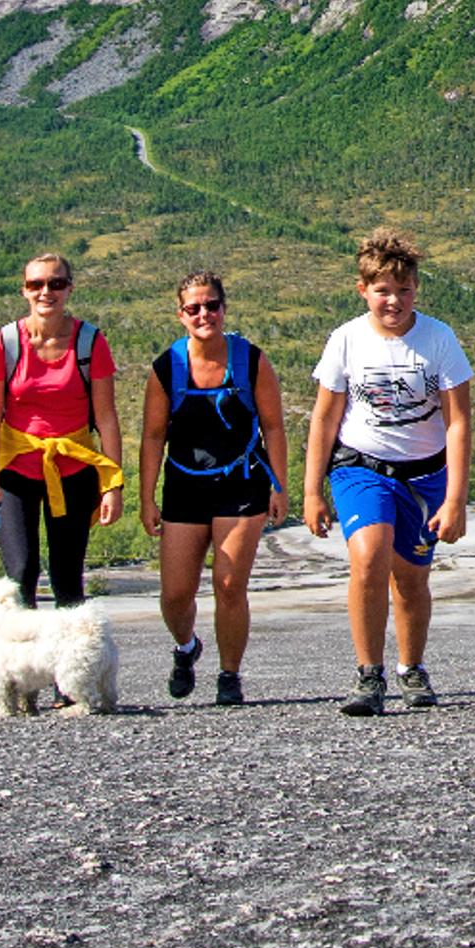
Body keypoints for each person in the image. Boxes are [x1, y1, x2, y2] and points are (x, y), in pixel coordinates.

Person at [305, 229, 472, 716]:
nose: (393, 301)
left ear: (416, 289)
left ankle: (411, 668)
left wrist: (455, 499)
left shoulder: (439, 339)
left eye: (403, 290)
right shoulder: (346, 339)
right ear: (363, 290)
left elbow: (458, 421)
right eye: (382, 290)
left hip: (424, 476)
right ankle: (368, 674)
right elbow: (324, 417)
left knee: (412, 578)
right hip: (361, 467)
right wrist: (312, 490)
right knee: (369, 558)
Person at [138, 269, 281, 706]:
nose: (204, 314)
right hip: (185, 487)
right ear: (180, 315)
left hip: (242, 484)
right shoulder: (168, 367)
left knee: (229, 585)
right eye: (194, 308)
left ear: (224, 307)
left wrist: (280, 486)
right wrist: (147, 497)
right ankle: (186, 647)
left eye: (211, 305)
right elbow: (152, 436)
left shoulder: (251, 361)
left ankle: (229, 675)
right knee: (176, 595)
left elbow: (274, 427)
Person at [0, 251, 120, 608]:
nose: (46, 292)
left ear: (69, 289)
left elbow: (106, 419)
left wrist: (112, 485)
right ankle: (21, 659)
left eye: (56, 283)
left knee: (67, 578)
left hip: (72, 467)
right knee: (21, 573)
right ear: (24, 290)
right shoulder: (5, 344)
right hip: (15, 467)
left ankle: (69, 661)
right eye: (36, 284)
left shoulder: (90, 343)